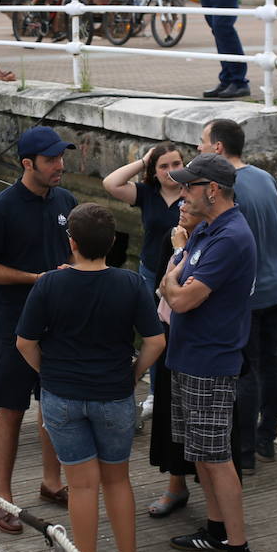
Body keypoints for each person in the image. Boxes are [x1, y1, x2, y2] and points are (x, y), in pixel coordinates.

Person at [16, 203, 166, 552]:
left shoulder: (49, 284)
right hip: (114, 395)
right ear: (112, 242)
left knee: (81, 486)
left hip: (62, 397)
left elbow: (25, 342)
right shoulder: (131, 283)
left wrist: (50, 374)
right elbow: (155, 341)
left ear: (72, 243)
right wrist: (133, 375)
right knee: (117, 480)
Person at [158, 152, 260, 552]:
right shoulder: (205, 230)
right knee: (199, 450)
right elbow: (174, 274)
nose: (182, 193)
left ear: (213, 190)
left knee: (218, 458)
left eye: (188, 186)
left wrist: (171, 284)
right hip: (188, 357)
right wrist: (173, 280)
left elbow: (180, 297)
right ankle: (217, 530)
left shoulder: (231, 237)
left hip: (211, 363)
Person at [0, 126, 77, 534]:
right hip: (15, 323)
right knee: (11, 407)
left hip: (58, 322)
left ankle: (52, 482)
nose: (60, 165)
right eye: (51, 160)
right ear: (27, 163)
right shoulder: (1, 208)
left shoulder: (66, 201)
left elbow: (75, 253)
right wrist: (36, 279)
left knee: (52, 403)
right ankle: (1, 496)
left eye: (61, 157)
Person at [200, 118, 277, 471]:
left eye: (203, 141)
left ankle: (246, 452)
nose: (199, 147)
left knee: (246, 371)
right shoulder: (265, 177)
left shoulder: (227, 188)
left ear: (218, 147)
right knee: (272, 364)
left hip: (248, 294)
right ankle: (267, 439)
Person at [102, 143, 184, 420]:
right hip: (151, 273)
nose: (171, 171)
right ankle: (154, 393)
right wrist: (143, 160)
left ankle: (180, 393)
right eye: (163, 166)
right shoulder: (147, 194)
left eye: (176, 164)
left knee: (179, 333)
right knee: (154, 333)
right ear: (154, 170)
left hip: (183, 274)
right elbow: (111, 183)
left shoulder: (192, 192)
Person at [146, 202, 203, 518]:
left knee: (207, 426)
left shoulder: (214, 244)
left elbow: (177, 293)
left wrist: (180, 254)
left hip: (201, 343)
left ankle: (218, 505)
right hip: (172, 334)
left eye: (189, 199)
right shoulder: (175, 239)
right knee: (171, 414)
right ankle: (176, 484)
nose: (181, 205)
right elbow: (162, 289)